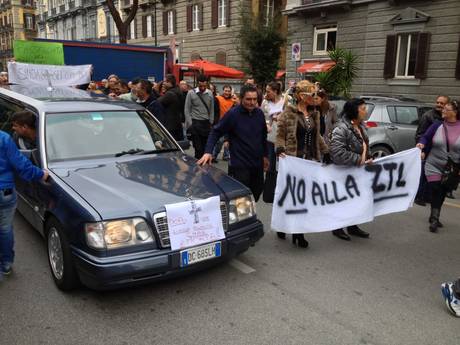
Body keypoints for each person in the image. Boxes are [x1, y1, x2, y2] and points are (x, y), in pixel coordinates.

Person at [275, 80, 329, 248]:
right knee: (291, 195)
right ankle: (286, 225)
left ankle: (299, 231)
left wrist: (326, 151)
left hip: (309, 161)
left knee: (304, 197)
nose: (314, 97)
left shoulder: (315, 114)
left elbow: (317, 136)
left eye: (314, 94)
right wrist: (279, 148)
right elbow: (280, 134)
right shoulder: (288, 113)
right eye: (310, 94)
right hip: (292, 160)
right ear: (300, 96)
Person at [197, 84, 269, 201]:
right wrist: (208, 152)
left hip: (257, 164)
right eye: (248, 99)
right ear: (241, 99)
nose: (252, 103)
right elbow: (216, 131)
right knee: (241, 198)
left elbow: (263, 136)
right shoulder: (233, 114)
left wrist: (265, 156)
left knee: (256, 193)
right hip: (240, 164)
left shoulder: (259, 114)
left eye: (255, 99)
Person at [0, 130, 48, 279]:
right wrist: (40, 174)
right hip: (4, 191)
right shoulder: (3, 138)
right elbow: (21, 165)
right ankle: (6, 265)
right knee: (5, 229)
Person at [329, 98, 372, 241]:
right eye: (363, 108)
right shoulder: (341, 128)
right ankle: (337, 227)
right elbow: (337, 153)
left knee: (356, 199)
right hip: (344, 173)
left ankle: (352, 226)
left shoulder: (361, 126)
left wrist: (368, 157)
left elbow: (365, 145)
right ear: (354, 110)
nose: (365, 111)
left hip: (357, 172)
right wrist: (359, 159)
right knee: (343, 199)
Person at [416, 100, 460, 233]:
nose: (443, 111)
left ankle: (434, 214)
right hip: (433, 163)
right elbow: (425, 137)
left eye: (446, 109)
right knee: (435, 188)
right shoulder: (437, 125)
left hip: (452, 167)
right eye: (443, 109)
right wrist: (421, 145)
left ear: (455, 112)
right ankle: (435, 219)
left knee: (442, 191)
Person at [414, 95, 450, 205]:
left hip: (437, 152)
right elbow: (420, 134)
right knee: (423, 175)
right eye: (437, 102)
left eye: (442, 103)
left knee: (433, 175)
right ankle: (419, 197)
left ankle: (428, 196)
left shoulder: (444, 117)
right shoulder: (428, 116)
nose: (439, 105)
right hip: (427, 150)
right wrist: (422, 150)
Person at [184, 74, 214, 159]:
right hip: (195, 123)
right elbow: (187, 109)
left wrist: (210, 122)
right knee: (198, 149)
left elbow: (212, 110)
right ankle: (198, 169)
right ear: (197, 84)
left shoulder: (210, 93)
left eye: (204, 86)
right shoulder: (191, 93)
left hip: (206, 124)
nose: (203, 88)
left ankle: (205, 168)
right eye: (201, 86)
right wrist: (190, 124)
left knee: (205, 149)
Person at [261, 82, 284, 173]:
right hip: (269, 137)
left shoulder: (285, 101)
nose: (266, 94)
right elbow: (261, 116)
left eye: (268, 92)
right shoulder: (265, 102)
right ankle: (269, 185)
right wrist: (265, 124)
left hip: (281, 138)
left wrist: (281, 116)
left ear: (275, 91)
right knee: (270, 166)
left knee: (280, 166)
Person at [157, 74, 184, 141]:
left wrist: (156, 91)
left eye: (165, 82)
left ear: (170, 83)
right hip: (177, 123)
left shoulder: (170, 94)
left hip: (170, 125)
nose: (163, 83)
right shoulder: (178, 91)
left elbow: (157, 103)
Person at [212, 85, 234, 162]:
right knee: (220, 141)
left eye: (228, 91)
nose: (227, 92)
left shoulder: (233, 100)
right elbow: (214, 111)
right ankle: (214, 155)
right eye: (226, 91)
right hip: (220, 122)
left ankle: (226, 155)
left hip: (230, 123)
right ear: (223, 91)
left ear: (231, 92)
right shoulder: (218, 98)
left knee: (228, 140)